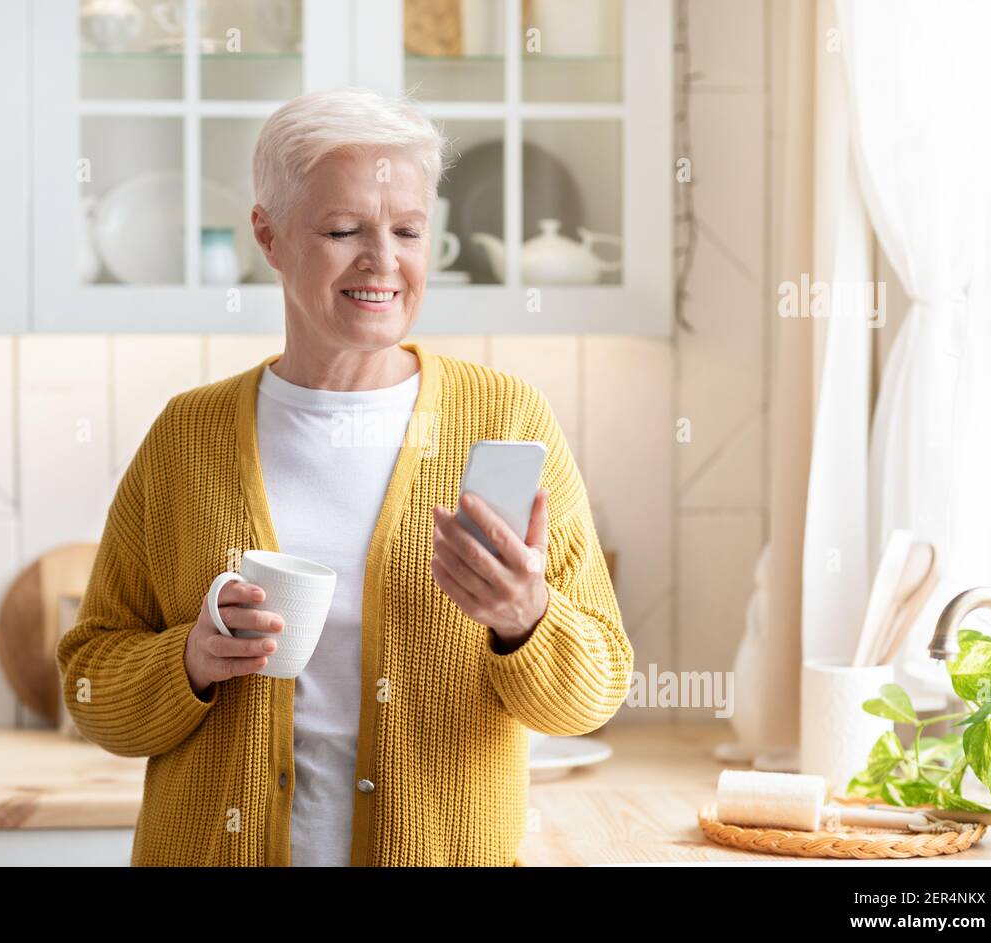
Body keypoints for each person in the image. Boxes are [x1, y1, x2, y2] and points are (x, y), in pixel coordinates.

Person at [56, 86, 632, 866]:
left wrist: (525, 618)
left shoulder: (505, 418)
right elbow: (92, 686)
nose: (383, 263)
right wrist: (189, 659)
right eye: (342, 230)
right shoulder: (187, 438)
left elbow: (591, 696)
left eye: (407, 230)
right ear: (269, 235)